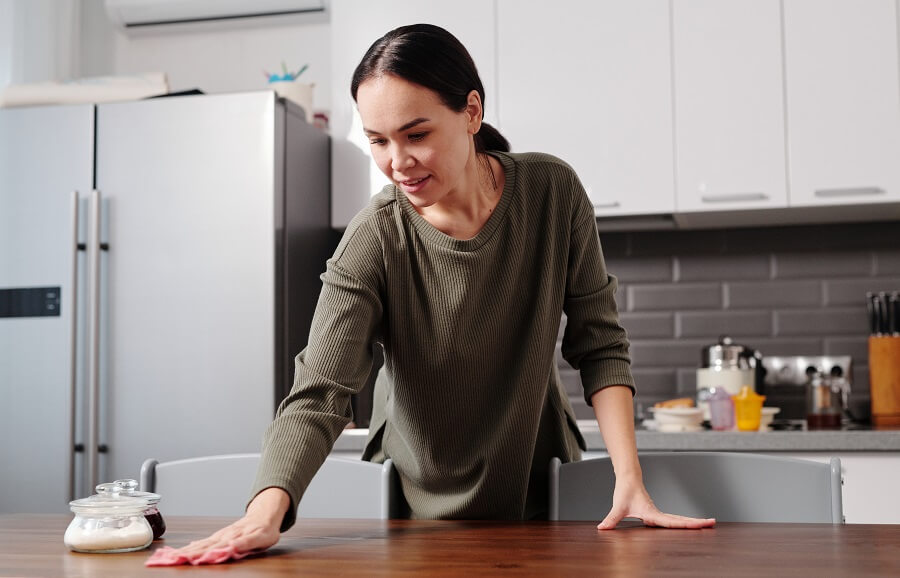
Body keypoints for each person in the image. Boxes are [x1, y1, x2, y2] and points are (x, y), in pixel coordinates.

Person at [173, 23, 715, 563]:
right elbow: (320, 390)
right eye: (378, 140)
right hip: (412, 510)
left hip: (539, 490)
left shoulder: (553, 193)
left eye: (416, 135)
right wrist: (264, 514)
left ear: (472, 113)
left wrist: (629, 478)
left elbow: (600, 346)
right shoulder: (377, 234)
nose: (397, 162)